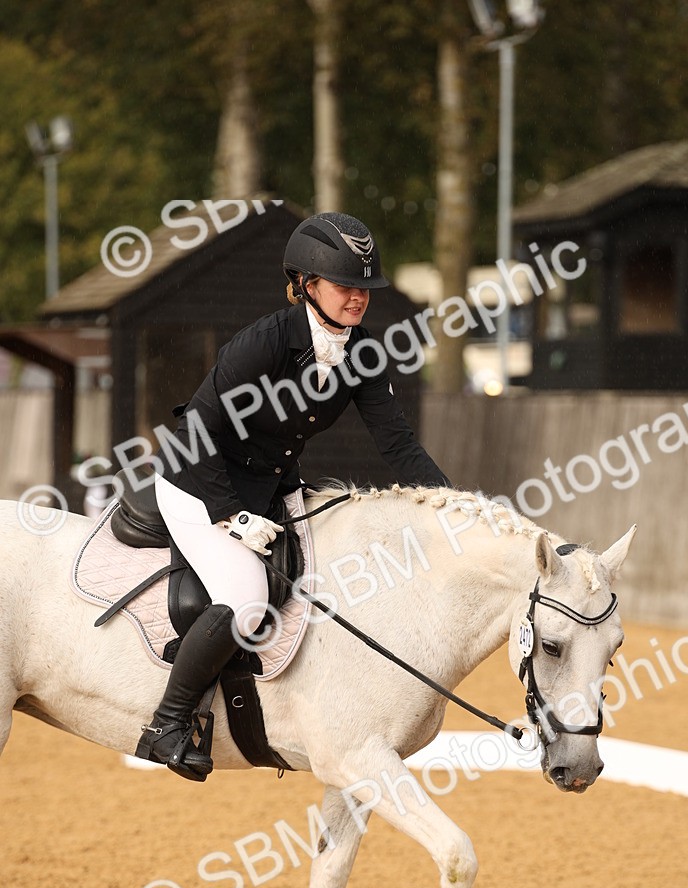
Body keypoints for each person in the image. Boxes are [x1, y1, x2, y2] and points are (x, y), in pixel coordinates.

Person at [136, 211, 451, 783]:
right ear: (308, 285)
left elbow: (398, 444)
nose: (359, 298)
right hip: (196, 480)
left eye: (366, 288)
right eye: (346, 286)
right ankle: (168, 722)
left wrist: (459, 510)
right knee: (248, 596)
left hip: (269, 488)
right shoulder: (262, 346)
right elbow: (199, 434)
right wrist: (230, 515)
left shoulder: (362, 352)